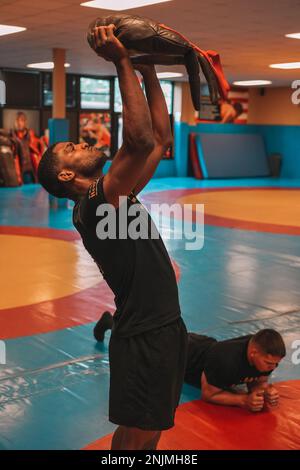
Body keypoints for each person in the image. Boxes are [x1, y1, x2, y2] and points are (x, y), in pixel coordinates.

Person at [37, 25, 187, 450]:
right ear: (67, 174)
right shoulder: (94, 205)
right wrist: (122, 62)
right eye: (72, 148)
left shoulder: (115, 195)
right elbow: (138, 140)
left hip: (164, 327)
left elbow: (160, 140)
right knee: (137, 435)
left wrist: (149, 70)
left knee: (151, 429)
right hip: (143, 337)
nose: (82, 143)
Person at [94, 314, 285, 414]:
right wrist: (243, 400)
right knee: (139, 345)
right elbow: (209, 394)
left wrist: (263, 392)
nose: (272, 368)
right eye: (269, 363)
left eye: (275, 365)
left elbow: (258, 379)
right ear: (253, 354)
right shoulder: (226, 360)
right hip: (181, 354)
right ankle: (110, 322)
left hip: (204, 348)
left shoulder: (261, 351)